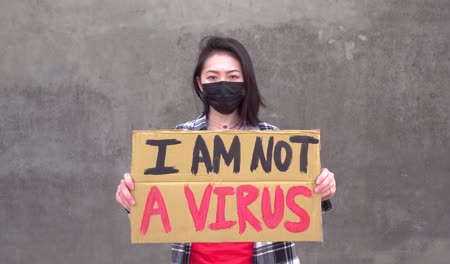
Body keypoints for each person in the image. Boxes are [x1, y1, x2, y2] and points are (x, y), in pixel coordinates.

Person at [115, 36, 337, 264]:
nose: (223, 83)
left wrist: (321, 189)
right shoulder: (180, 139)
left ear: (245, 83)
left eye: (232, 77)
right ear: (200, 83)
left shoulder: (272, 140)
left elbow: (293, 206)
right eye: (213, 77)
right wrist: (132, 196)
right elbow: (159, 204)